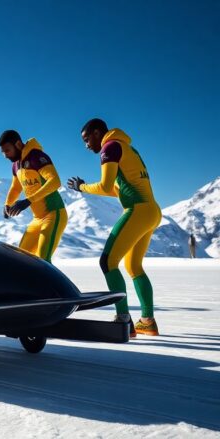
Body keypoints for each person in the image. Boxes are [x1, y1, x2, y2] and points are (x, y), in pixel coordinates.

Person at [68, 118, 161, 336]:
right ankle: (147, 321)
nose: (86, 145)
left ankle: (123, 320)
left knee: (107, 262)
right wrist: (85, 188)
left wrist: (81, 186)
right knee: (134, 267)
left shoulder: (109, 147)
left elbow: (105, 185)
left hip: (137, 210)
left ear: (98, 133)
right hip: (152, 211)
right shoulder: (127, 148)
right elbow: (118, 189)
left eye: (87, 139)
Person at [0, 130, 67, 263]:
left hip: (53, 214)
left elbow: (55, 181)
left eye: (7, 150)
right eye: (2, 152)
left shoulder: (36, 156)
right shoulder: (16, 165)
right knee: (20, 259)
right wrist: (7, 204)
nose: (5, 155)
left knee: (43, 261)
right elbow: (16, 187)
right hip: (37, 219)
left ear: (18, 144)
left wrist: (28, 200)